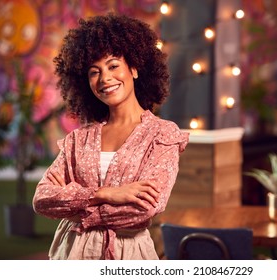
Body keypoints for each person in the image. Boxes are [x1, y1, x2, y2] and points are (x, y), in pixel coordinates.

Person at [32, 13, 189, 260]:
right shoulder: (77, 140)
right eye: (94, 72)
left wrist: (75, 208)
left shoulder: (162, 134)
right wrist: (105, 194)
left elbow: (144, 210)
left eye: (113, 66)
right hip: (71, 255)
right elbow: (42, 199)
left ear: (135, 68)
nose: (105, 78)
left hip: (129, 256)